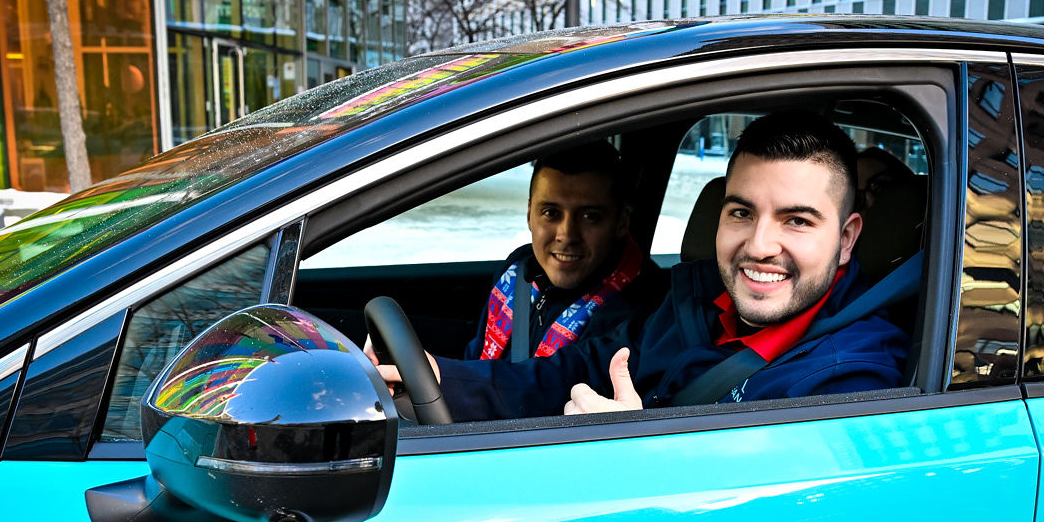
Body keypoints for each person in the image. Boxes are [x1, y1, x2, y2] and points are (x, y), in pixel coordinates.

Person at [383, 110, 907, 420]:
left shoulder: (851, 382)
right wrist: (444, 378)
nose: (760, 245)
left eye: (796, 220)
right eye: (742, 212)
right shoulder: (691, 300)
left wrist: (638, 454)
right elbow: (568, 373)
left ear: (845, 239)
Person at [462, 141, 665, 362]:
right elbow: (475, 354)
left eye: (590, 217)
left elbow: (549, 382)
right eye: (551, 212)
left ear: (621, 223)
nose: (567, 235)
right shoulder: (518, 270)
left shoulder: (638, 312)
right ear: (530, 214)